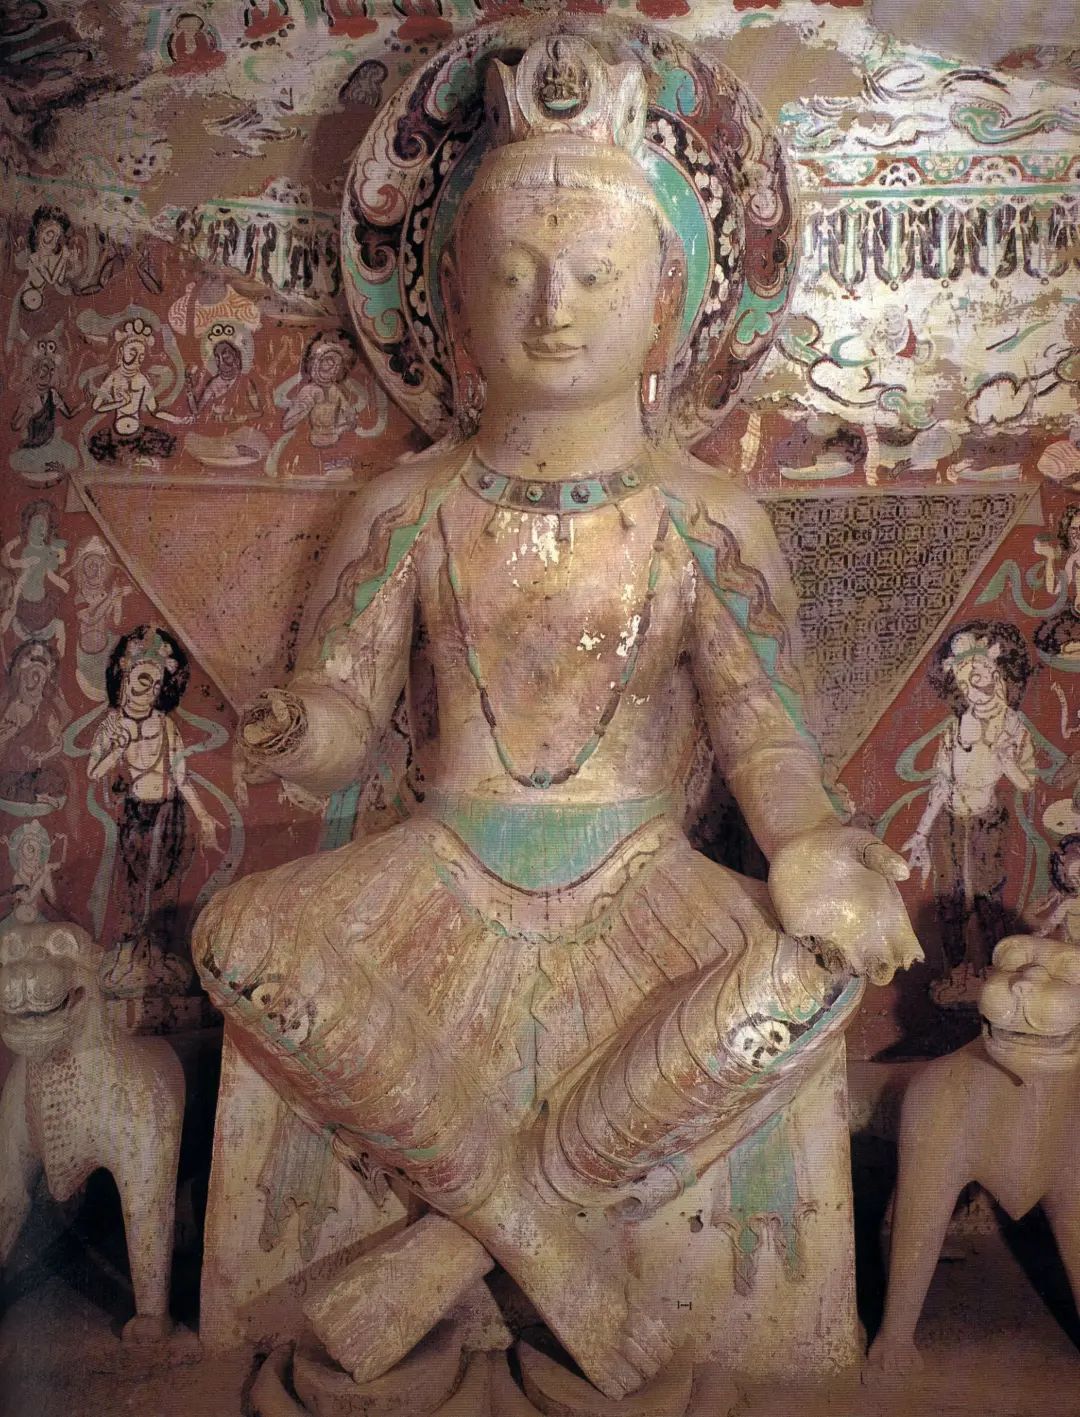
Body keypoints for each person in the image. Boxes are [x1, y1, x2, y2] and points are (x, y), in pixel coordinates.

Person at [194, 35, 919, 1400]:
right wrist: (304, 730)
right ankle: (552, 1252)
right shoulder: (410, 506)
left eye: (594, 274)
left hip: (637, 868)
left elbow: (766, 735)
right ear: (453, 294)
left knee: (815, 969)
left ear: (667, 303)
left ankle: (447, 1253)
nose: (553, 307)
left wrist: (815, 844)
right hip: (442, 861)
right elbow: (346, 712)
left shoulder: (706, 517)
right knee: (240, 938)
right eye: (516, 271)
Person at [902, 621, 1036, 1005]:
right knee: (949, 899)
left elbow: (1027, 782)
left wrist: (1007, 763)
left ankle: (995, 975)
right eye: (967, 681)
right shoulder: (955, 728)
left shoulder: (1013, 727)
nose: (977, 686)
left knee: (987, 899)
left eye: (986, 676)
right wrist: (921, 832)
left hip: (986, 822)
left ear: (1001, 677)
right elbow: (941, 783)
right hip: (949, 820)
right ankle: (958, 974)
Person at [89, 627, 220, 994]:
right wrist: (117, 750)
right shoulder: (112, 724)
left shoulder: (165, 725)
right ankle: (126, 954)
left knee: (166, 885)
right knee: (132, 886)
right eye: (142, 679)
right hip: (136, 815)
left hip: (170, 813)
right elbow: (94, 771)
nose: (148, 690)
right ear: (126, 677)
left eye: (157, 683)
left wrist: (203, 815)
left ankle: (158, 954)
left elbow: (180, 775)